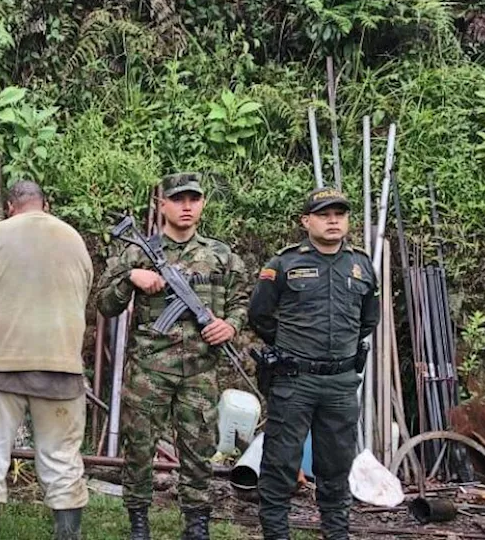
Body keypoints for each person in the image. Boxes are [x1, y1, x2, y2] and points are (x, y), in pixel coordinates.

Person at [96, 172, 248, 540]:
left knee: (199, 448)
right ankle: (138, 521)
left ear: (202, 204)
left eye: (193, 200)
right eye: (178, 200)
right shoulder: (136, 252)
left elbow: (242, 303)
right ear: (162, 204)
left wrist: (230, 326)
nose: (186, 207)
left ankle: (196, 522)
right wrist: (131, 275)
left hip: (200, 370)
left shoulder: (221, 254)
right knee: (139, 446)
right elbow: (104, 303)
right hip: (150, 368)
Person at [0, 181, 93, 540]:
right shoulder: (73, 238)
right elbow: (84, 291)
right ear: (45, 204)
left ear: (9, 207)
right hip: (61, 368)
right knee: (63, 461)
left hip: (0, 366)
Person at [248, 187, 379, 540]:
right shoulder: (284, 263)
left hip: (340, 384)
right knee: (280, 462)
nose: (333, 220)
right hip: (295, 380)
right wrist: (293, 348)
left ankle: (336, 533)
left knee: (336, 465)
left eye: (339, 213)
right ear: (307, 221)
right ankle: (276, 534)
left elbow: (369, 320)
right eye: (324, 214)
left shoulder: (362, 265)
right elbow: (259, 315)